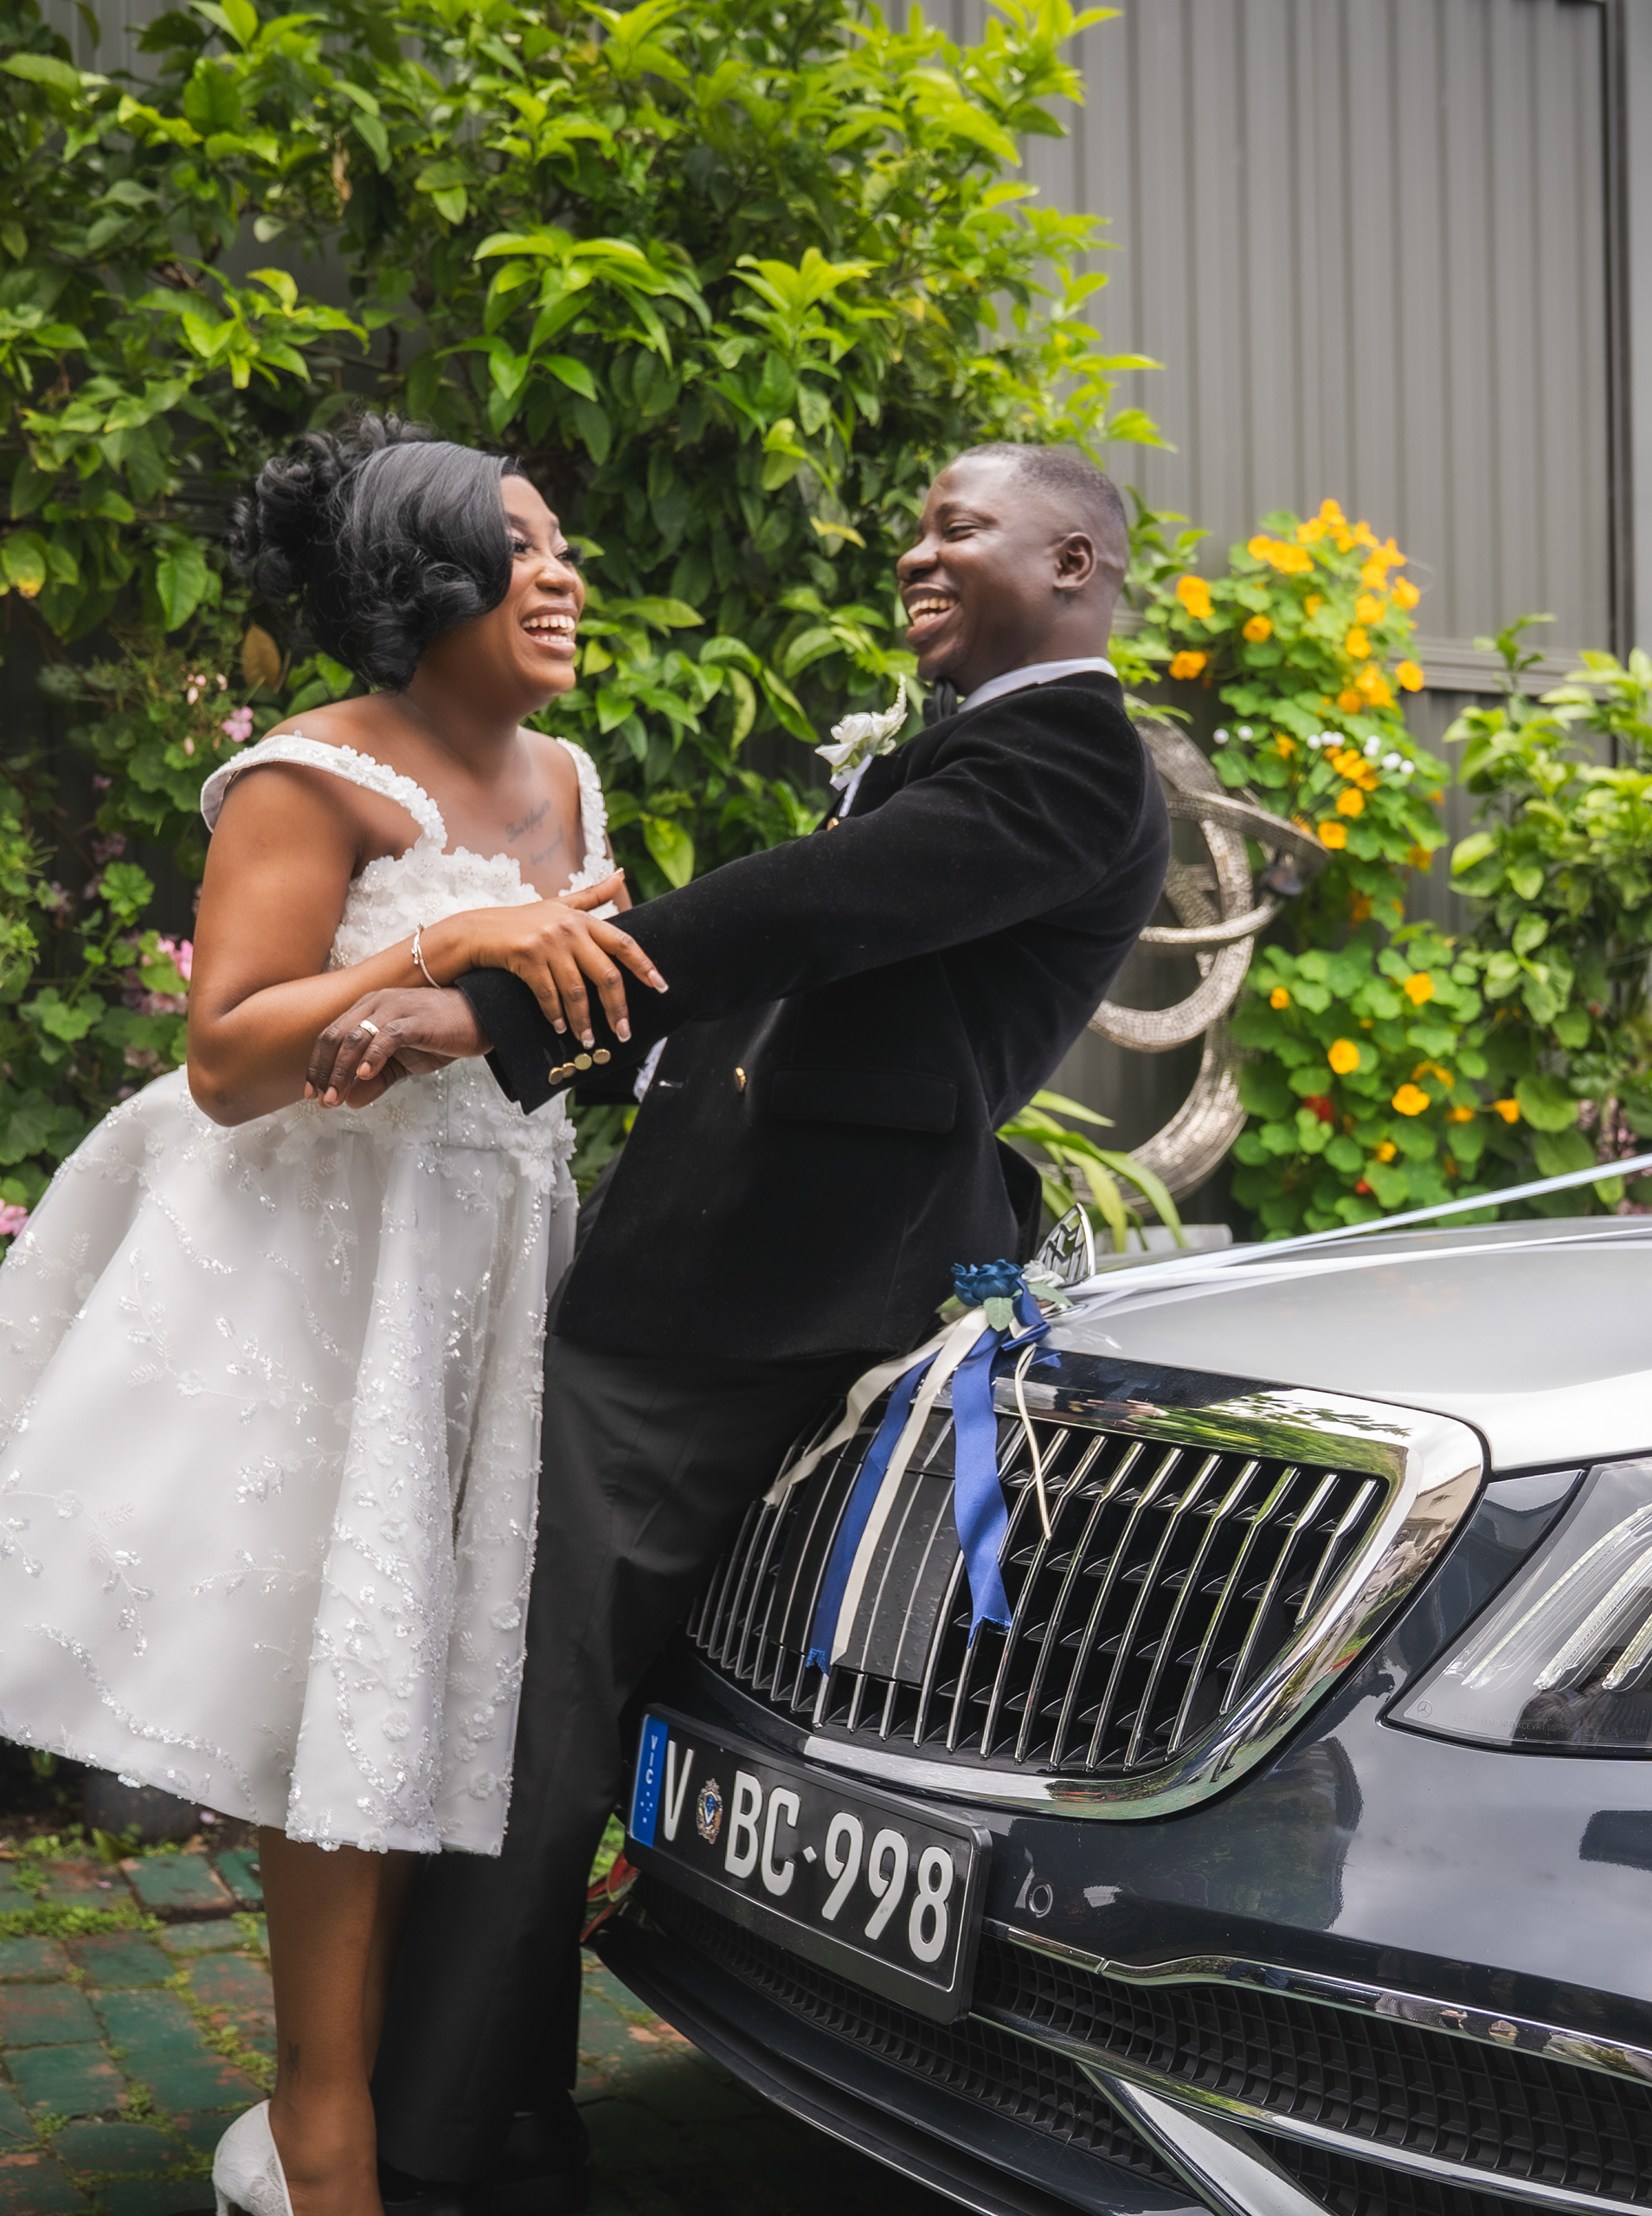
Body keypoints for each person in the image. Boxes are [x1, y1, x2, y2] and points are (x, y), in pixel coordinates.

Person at [0, 416, 661, 2216]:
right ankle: (322, 2122)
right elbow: (226, 1058)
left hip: (506, 1263)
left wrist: (550, 995)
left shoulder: (571, 774)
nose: (562, 572)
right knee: (347, 1689)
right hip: (333, 1273)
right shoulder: (307, 777)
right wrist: (443, 947)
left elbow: (582, 1016)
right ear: (427, 579)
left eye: (564, 542)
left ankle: (418, 2086)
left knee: (449, 1694)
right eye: (519, 545)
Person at [303, 443, 1173, 2214]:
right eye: (919, 527)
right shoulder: (978, 749)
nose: (917, 553)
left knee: (530, 1703)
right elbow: (812, 968)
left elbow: (811, 913)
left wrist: (501, 1010)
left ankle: (439, 2146)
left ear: (1075, 560)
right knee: (576, 1698)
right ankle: (502, 2111)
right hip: (770, 1266)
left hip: (748, 1291)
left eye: (958, 528)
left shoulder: (1075, 755)